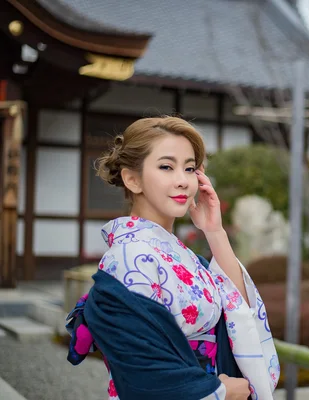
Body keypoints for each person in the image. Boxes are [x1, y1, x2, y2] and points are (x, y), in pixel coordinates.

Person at [65, 116, 279, 400]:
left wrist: (214, 230)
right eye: (166, 166)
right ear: (133, 179)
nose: (182, 180)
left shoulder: (177, 253)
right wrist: (221, 391)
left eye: (189, 168)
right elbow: (145, 369)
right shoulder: (131, 256)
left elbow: (237, 309)